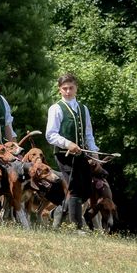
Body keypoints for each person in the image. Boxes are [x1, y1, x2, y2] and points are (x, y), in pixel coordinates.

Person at [45, 72, 99, 229]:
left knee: (85, 190)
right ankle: (77, 227)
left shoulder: (83, 109)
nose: (68, 91)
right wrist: (68, 144)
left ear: (76, 89)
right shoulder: (56, 108)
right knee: (74, 187)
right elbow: (51, 135)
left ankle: (58, 211)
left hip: (81, 155)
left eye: (71, 88)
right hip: (64, 154)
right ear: (59, 90)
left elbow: (88, 134)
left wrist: (94, 152)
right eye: (64, 88)